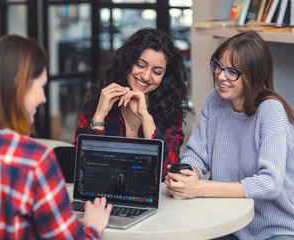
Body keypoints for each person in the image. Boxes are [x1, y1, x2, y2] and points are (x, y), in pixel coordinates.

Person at [0, 35, 112, 240]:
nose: (44, 98)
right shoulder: (34, 161)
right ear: (20, 88)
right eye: (41, 86)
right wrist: (93, 226)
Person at [165, 31, 294, 240]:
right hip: (228, 221)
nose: (221, 76)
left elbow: (270, 184)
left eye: (232, 71)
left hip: (274, 227)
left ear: (254, 75)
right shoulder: (215, 100)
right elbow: (196, 154)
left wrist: (200, 189)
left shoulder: (271, 110)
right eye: (219, 66)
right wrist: (188, 176)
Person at [75, 28, 189, 178]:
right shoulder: (97, 104)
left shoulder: (170, 113)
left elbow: (167, 174)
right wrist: (99, 116)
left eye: (157, 72)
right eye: (140, 65)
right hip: (102, 198)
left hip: (150, 199)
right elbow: (83, 171)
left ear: (165, 76)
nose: (146, 76)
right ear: (128, 62)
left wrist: (145, 117)